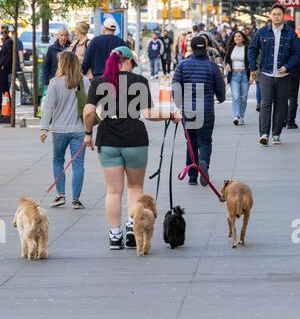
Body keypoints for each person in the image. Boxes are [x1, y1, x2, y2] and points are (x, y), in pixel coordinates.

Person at [83, 46, 181, 250]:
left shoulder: (99, 82)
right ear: (127, 61)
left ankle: (114, 236)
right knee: (135, 187)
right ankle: (131, 226)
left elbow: (89, 112)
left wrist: (88, 133)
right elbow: (149, 114)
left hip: (108, 137)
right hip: (135, 137)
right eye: (134, 62)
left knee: (113, 191)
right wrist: (171, 115)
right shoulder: (139, 81)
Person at [173, 35, 225, 186]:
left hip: (188, 110)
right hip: (206, 109)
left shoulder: (182, 65)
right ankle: (203, 163)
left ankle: (192, 176)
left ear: (192, 48)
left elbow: (176, 88)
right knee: (205, 142)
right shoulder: (212, 66)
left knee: (191, 142)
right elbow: (220, 87)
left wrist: (179, 104)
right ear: (206, 48)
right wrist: (220, 98)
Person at [40, 51, 90, 209]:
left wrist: (44, 128)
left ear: (62, 64)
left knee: (58, 161)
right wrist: (89, 131)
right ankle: (76, 200)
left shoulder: (55, 82)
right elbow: (89, 108)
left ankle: (60, 195)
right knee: (78, 164)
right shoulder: (84, 82)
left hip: (59, 130)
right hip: (79, 130)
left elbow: (48, 107)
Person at [248, 4, 300, 146]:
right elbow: (252, 49)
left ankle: (276, 134)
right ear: (270, 16)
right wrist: (253, 68)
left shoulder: (290, 33)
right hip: (266, 73)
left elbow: (297, 52)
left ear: (283, 16)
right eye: (274, 14)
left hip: (284, 76)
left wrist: (287, 66)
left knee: (281, 105)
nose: (276, 16)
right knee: (266, 104)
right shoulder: (262, 32)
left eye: (279, 14)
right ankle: (264, 134)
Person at [224, 31, 250, 125]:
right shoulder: (231, 48)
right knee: (235, 96)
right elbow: (227, 60)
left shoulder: (247, 48)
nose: (237, 38)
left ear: (243, 38)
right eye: (235, 37)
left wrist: (252, 75)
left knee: (243, 97)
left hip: (244, 75)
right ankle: (236, 116)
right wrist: (227, 65)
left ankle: (241, 117)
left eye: (239, 36)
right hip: (234, 75)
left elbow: (251, 61)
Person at [0, 24, 13, 113]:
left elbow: (9, 56)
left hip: (4, 70)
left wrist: (4, 65)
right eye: (2, 32)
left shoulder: (9, 42)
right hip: (3, 69)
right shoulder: (5, 41)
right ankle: (5, 107)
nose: (3, 33)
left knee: (4, 89)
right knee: (3, 89)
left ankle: (8, 108)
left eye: (5, 32)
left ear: (8, 32)